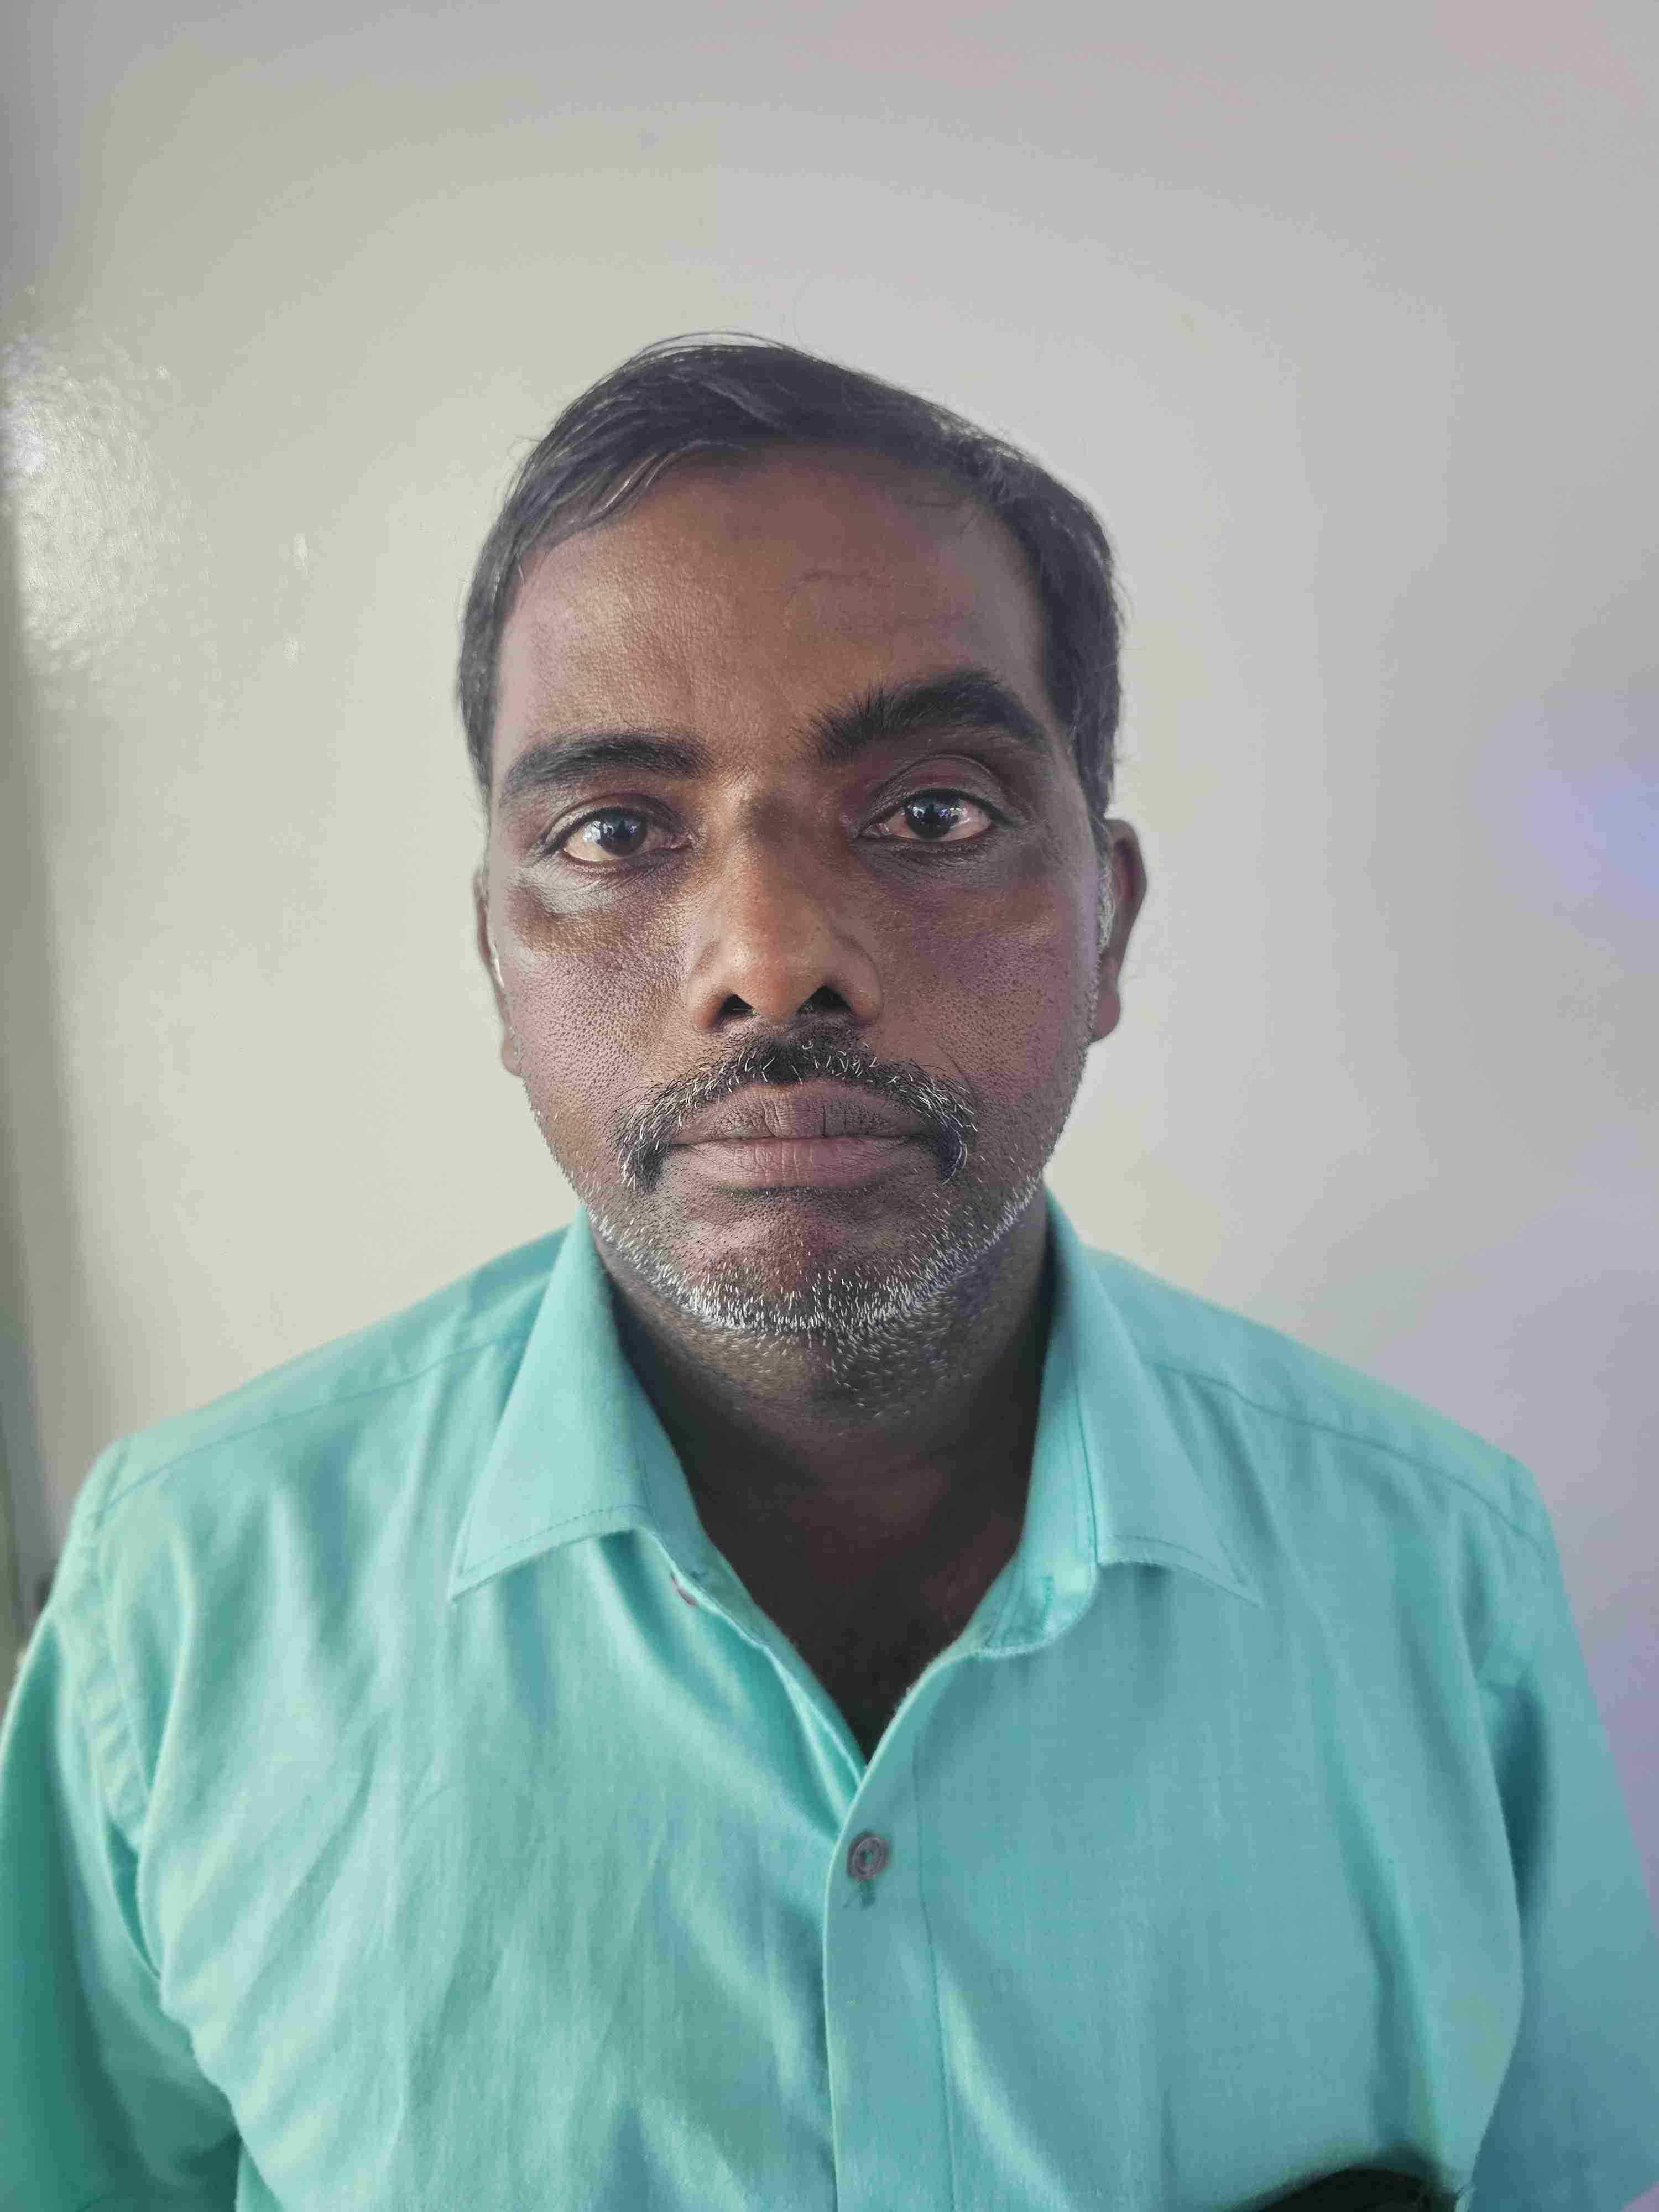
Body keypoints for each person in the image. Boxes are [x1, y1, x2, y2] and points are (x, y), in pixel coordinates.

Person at [2, 332, 1656, 2211]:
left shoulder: (1443, 1580)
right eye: (616, 834)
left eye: (932, 812)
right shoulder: (182, 1605)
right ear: (497, 964)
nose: (771, 958)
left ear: (1107, 927)